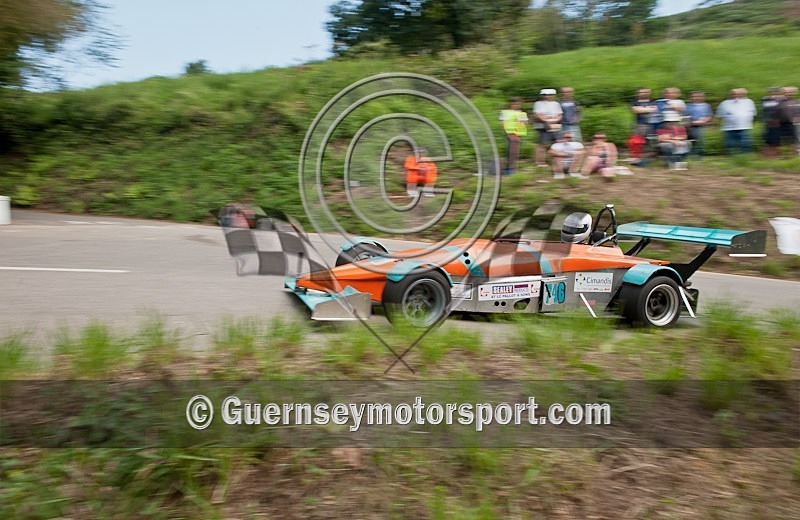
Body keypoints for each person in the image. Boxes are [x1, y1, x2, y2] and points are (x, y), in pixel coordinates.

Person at [715, 88, 757, 154]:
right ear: (730, 94)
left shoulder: (749, 102)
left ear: (743, 94)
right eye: (733, 94)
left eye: (738, 94)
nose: (736, 96)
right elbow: (719, 115)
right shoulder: (724, 103)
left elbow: (753, 113)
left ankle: (746, 157)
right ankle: (731, 157)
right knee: (730, 145)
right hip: (729, 128)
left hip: (744, 127)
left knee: (745, 145)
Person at [533, 88, 563, 167]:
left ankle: (555, 160)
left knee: (556, 143)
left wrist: (554, 120)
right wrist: (546, 120)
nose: (547, 96)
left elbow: (559, 114)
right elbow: (538, 114)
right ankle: (540, 161)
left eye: (549, 95)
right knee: (543, 144)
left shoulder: (556, 104)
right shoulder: (538, 103)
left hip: (555, 125)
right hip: (543, 126)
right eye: (545, 95)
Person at [498, 97, 529, 175]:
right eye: (515, 104)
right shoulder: (505, 112)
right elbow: (502, 123)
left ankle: (513, 168)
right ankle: (508, 169)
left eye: (518, 104)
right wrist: (507, 133)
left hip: (519, 134)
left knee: (515, 152)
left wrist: (521, 120)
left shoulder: (522, 113)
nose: (516, 105)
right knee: (510, 152)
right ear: (511, 104)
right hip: (510, 134)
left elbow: (526, 123)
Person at [685, 91, 713, 158]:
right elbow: (684, 115)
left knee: (700, 140)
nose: (695, 98)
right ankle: (689, 155)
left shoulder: (706, 105)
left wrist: (703, 121)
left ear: (702, 97)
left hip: (700, 126)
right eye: (693, 96)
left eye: (698, 96)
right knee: (689, 141)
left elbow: (709, 116)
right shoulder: (688, 105)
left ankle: (700, 156)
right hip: (689, 126)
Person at [761, 86, 784, 158]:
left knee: (776, 140)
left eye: (775, 91)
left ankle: (775, 155)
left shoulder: (781, 100)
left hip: (777, 123)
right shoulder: (765, 99)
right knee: (767, 139)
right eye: (772, 92)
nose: (774, 93)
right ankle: (767, 155)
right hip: (768, 123)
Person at [778, 86, 800, 155]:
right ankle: (785, 153)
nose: (789, 94)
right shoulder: (780, 101)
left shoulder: (797, 101)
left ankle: (797, 152)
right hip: (782, 124)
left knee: (797, 138)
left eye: (791, 92)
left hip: (795, 123)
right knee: (783, 139)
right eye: (786, 92)